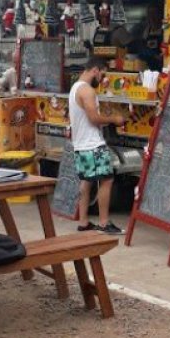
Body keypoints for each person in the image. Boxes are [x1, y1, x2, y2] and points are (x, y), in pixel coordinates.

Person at [69, 57, 125, 234]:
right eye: (102, 74)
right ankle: (103, 223)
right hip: (93, 144)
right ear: (95, 70)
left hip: (80, 144)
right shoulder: (87, 91)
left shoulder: (75, 88)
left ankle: (84, 222)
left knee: (86, 182)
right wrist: (114, 119)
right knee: (106, 180)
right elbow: (94, 119)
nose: (102, 79)